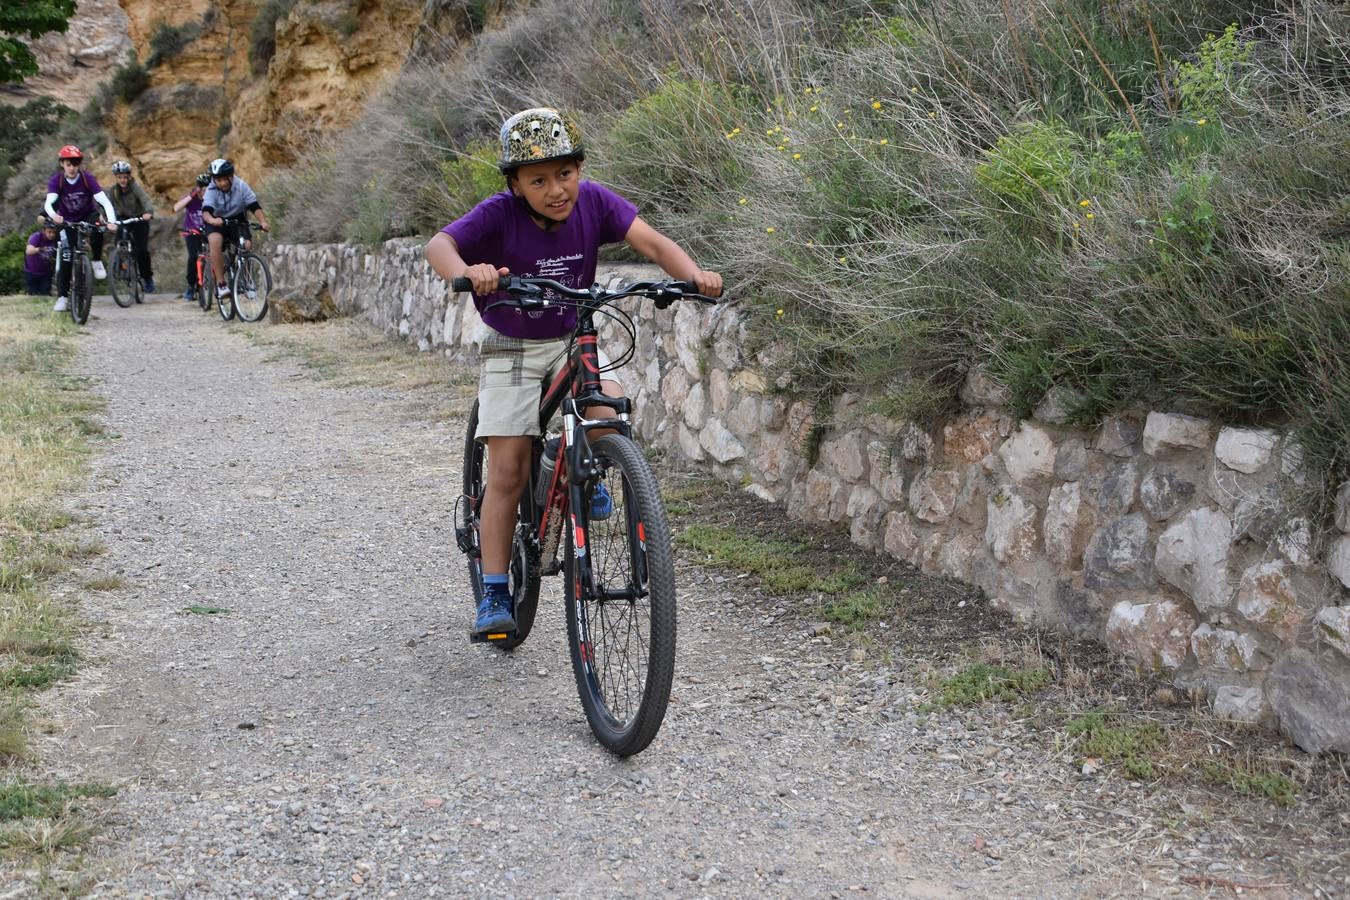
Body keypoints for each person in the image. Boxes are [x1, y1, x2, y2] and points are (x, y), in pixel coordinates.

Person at [424, 107, 723, 635]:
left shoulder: (597, 203)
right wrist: (468, 271)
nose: (556, 189)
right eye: (538, 180)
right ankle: (495, 591)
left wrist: (693, 276)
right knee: (509, 469)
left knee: (607, 408)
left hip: (571, 333)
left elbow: (652, 243)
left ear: (580, 169)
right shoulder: (498, 215)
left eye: (565, 173)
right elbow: (439, 245)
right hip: (512, 343)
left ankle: (587, 470)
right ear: (515, 184)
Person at [43, 144, 117, 313]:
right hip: (66, 219)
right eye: (68, 164)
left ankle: (96, 260)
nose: (72, 168)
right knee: (67, 256)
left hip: (87, 214)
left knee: (98, 226)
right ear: (62, 163)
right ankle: (63, 297)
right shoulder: (57, 180)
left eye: (75, 164)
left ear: (79, 164)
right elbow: (49, 203)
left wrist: (111, 221)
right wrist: (54, 216)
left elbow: (104, 201)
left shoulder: (86, 178)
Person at [200, 158, 269, 300]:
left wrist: (263, 222)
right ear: (214, 180)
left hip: (237, 219)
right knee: (215, 242)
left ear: (231, 177)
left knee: (247, 245)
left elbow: (254, 206)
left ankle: (247, 281)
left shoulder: (241, 186)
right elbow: (206, 211)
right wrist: (212, 220)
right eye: (218, 180)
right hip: (216, 221)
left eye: (225, 179)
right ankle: (221, 284)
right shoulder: (211, 189)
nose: (222, 183)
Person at [107, 159, 156, 293]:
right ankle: (121, 262)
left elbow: (145, 199)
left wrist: (148, 212)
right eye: (119, 177)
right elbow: (106, 205)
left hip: (139, 218)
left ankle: (147, 278)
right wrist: (103, 216)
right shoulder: (113, 191)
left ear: (129, 176)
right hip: (123, 219)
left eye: (125, 177)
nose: (122, 180)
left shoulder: (135, 188)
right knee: (118, 240)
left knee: (142, 250)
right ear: (116, 178)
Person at [173, 173, 209, 301]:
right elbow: (176, 207)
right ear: (198, 188)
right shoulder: (192, 198)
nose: (204, 192)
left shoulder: (212, 199)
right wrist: (191, 195)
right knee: (193, 256)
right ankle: (190, 286)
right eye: (202, 189)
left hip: (208, 231)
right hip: (192, 232)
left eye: (207, 189)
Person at [24, 217, 59, 296]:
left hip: (47, 273)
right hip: (32, 272)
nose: (52, 234)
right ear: (44, 231)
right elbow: (29, 251)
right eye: (49, 232)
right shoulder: (36, 237)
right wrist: (41, 249)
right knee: (33, 295)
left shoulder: (57, 239)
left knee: (45, 295)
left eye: (54, 232)